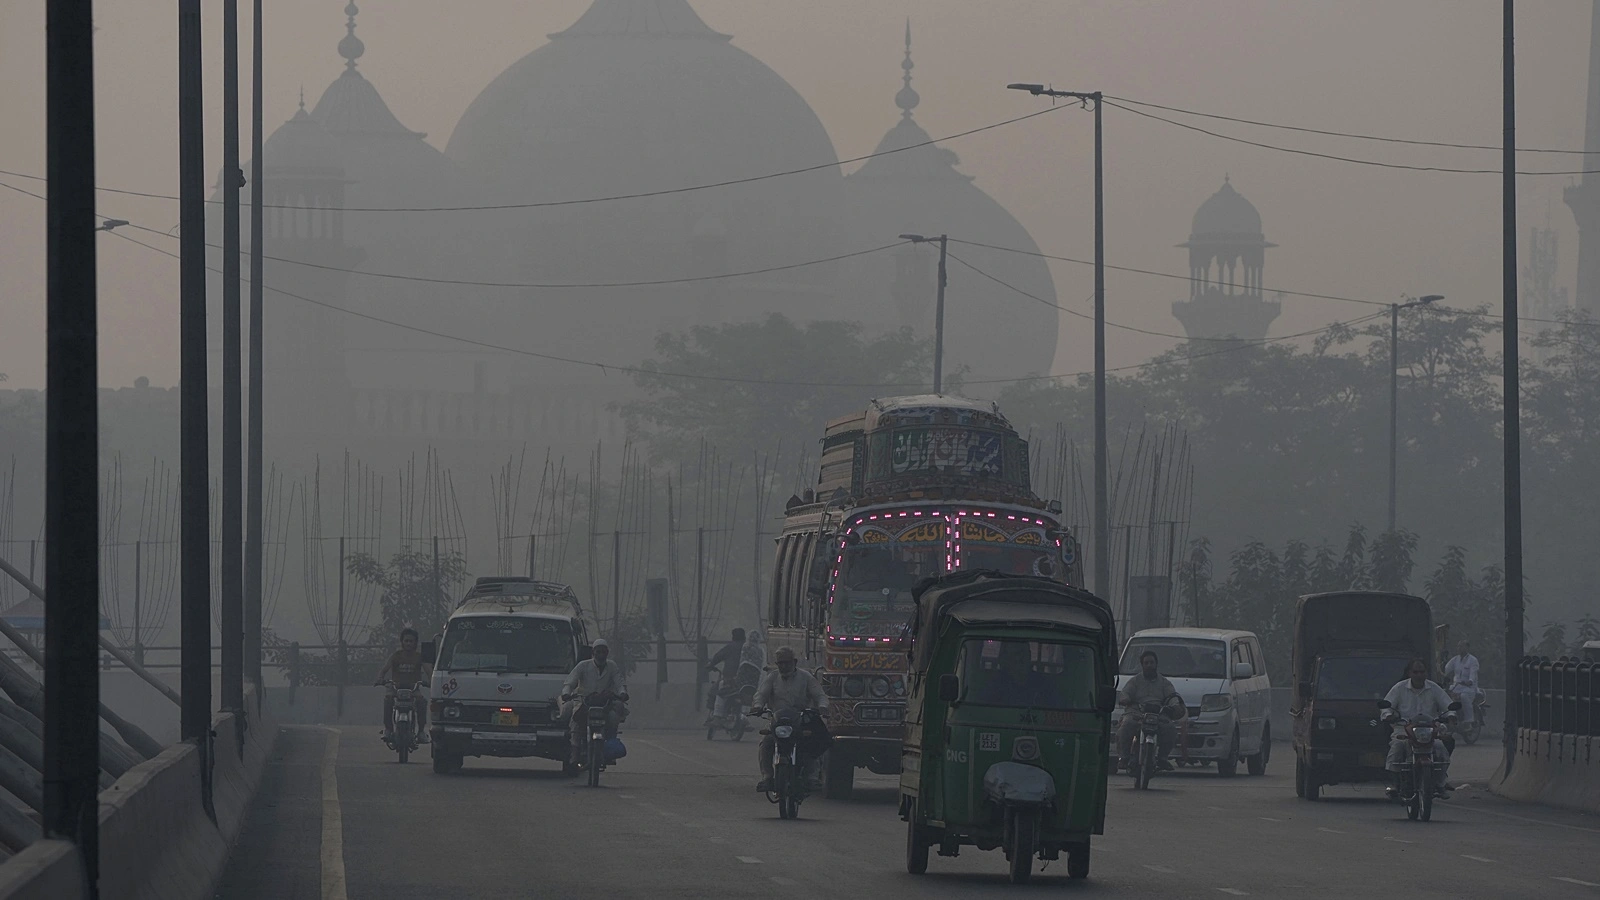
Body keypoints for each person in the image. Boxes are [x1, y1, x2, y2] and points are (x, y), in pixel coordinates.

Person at [751, 646, 829, 792]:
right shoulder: (772, 677)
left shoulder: (806, 677)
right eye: (780, 663)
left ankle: (812, 777)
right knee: (766, 744)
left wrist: (823, 707)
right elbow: (761, 694)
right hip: (777, 720)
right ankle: (767, 777)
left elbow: (820, 695)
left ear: (794, 662)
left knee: (812, 743)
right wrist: (757, 706)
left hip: (800, 719)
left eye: (786, 663)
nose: (783, 666)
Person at [1382, 658, 1455, 798]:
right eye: (1415, 672)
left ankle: (1440, 784)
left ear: (1426, 673)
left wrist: (1451, 715)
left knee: (1440, 750)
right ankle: (1394, 784)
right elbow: (1387, 706)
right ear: (1409, 673)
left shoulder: (1434, 688)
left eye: (1422, 672)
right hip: (1404, 729)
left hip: (1429, 731)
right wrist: (1388, 715)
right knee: (1397, 748)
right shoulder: (1399, 688)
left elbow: (1448, 705)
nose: (1419, 675)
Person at [561, 639, 629, 766]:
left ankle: (610, 749)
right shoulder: (583, 665)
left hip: (605, 703)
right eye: (598, 652)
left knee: (613, 718)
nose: (601, 655)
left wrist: (622, 693)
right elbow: (569, 682)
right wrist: (566, 693)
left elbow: (619, 683)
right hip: (584, 702)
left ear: (607, 653)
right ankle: (575, 753)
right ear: (593, 653)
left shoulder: (612, 666)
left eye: (603, 652)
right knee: (575, 721)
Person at [1115, 650, 1183, 772]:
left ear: (1156, 664)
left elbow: (1172, 696)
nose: (1149, 665)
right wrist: (1125, 699)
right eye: (1146, 663)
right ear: (1142, 665)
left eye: (1151, 662)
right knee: (1125, 726)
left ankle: (1162, 759)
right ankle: (1124, 758)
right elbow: (1125, 693)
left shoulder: (1164, 682)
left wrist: (1175, 706)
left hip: (1158, 714)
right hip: (1136, 712)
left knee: (1170, 728)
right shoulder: (1134, 681)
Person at [375, 628, 432, 743]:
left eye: (411, 641)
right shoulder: (396, 656)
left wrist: (432, 681)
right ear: (402, 642)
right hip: (396, 687)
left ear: (415, 643)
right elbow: (384, 669)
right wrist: (380, 679)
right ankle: (388, 729)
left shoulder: (419, 657)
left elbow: (429, 671)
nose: (408, 643)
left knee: (421, 702)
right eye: (406, 641)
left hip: (413, 687)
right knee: (388, 700)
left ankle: (421, 731)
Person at [970, 641, 1066, 708]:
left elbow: (1056, 710)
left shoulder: (1044, 684)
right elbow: (984, 711)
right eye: (1017, 654)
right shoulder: (996, 684)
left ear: (1029, 655)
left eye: (1025, 653)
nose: (1021, 659)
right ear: (1007, 659)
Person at [705, 628, 747, 724]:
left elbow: (717, 657)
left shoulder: (730, 647)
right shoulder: (748, 648)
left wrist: (710, 665)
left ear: (733, 637)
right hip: (746, 681)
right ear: (744, 637)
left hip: (730, 679)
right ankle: (745, 719)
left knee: (716, 691)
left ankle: (717, 716)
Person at [1443, 641, 1481, 727]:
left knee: (1464, 696)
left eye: (1461, 646)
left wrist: (1470, 681)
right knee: (1445, 696)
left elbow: (1473, 673)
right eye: (1458, 646)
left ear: (1467, 648)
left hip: (1469, 688)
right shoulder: (1455, 659)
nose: (1459, 648)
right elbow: (1446, 668)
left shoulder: (1473, 660)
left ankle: (1469, 720)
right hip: (1456, 686)